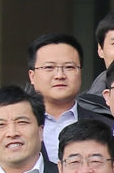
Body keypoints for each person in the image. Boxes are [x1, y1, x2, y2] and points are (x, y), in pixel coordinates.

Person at [26, 33, 85, 162]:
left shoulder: (107, 125)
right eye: (49, 67)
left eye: (69, 67)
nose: (60, 75)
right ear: (32, 76)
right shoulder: (15, 127)